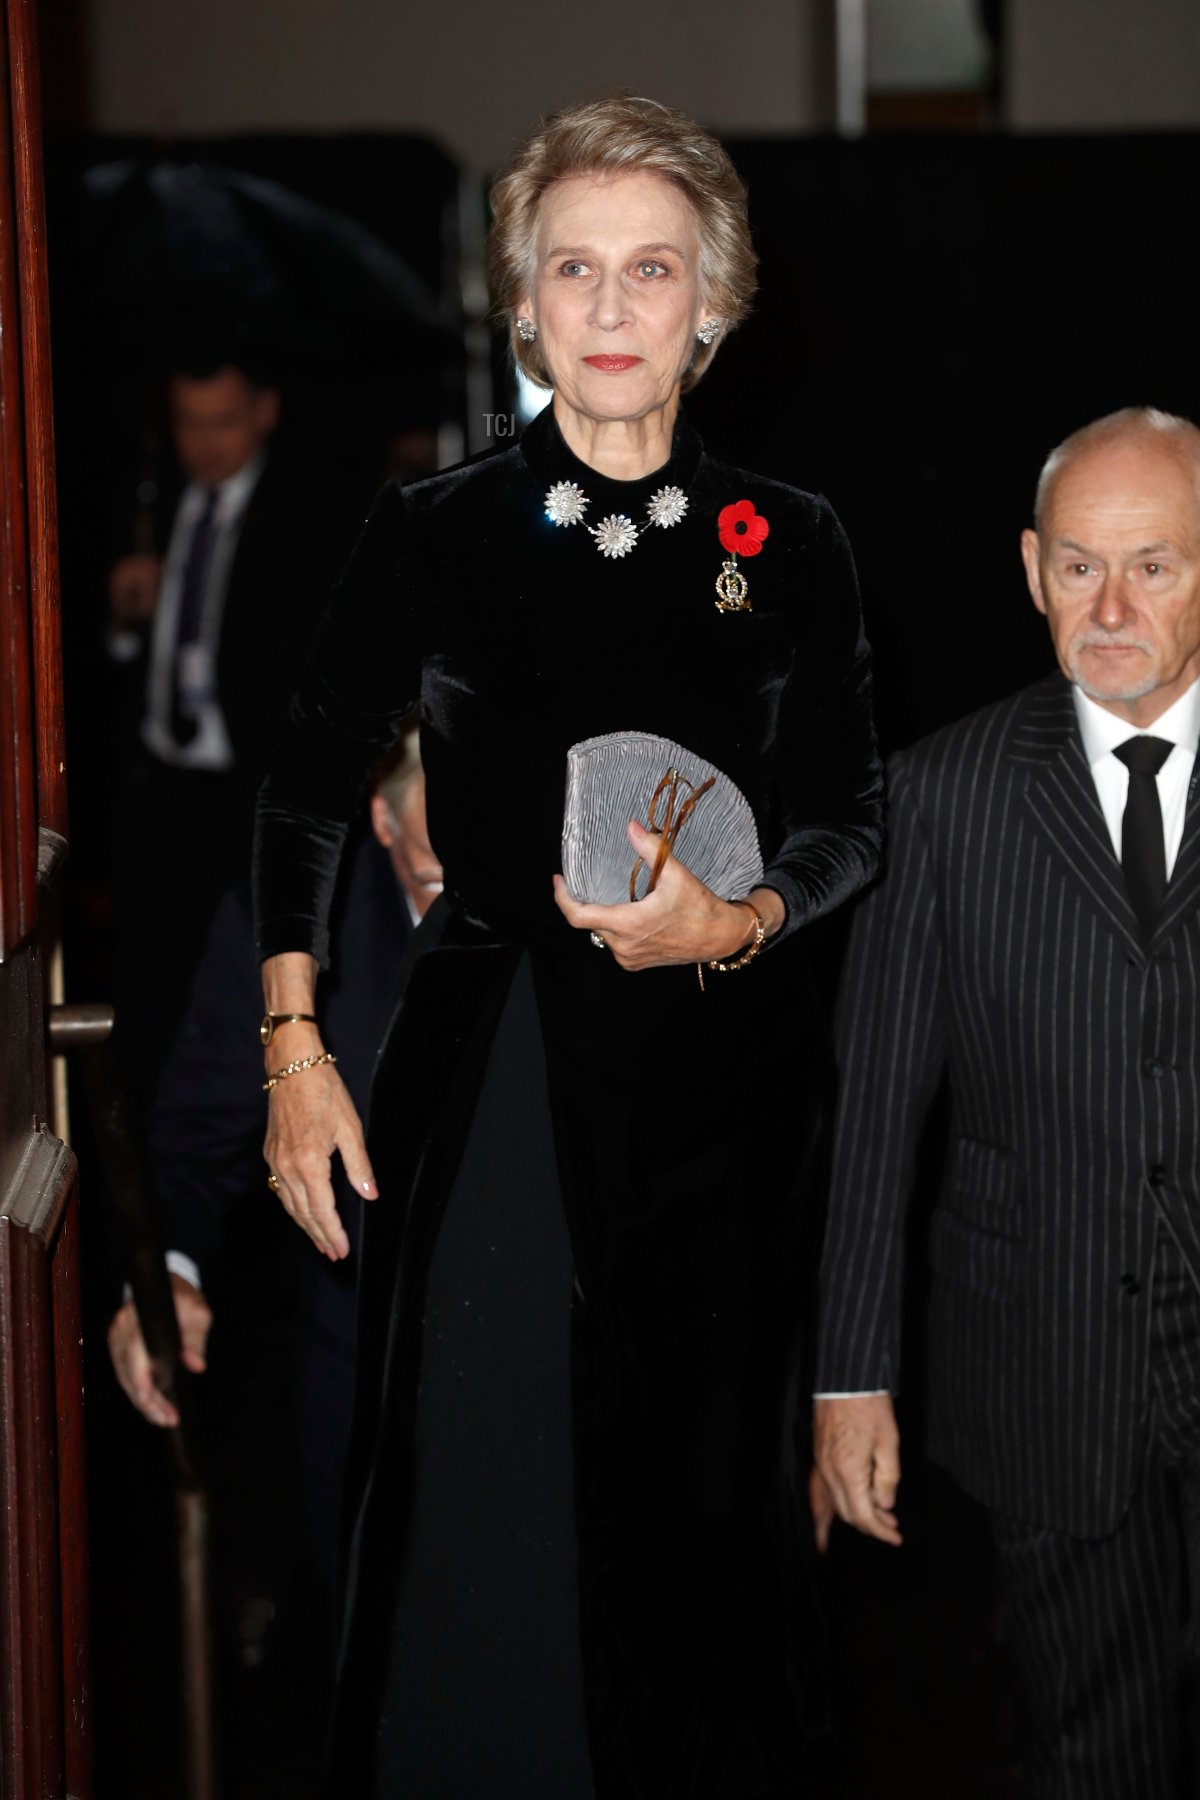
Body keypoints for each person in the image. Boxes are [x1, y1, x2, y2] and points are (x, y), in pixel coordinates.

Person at [255, 95, 883, 1798]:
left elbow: (850, 828)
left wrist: (732, 921)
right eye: (576, 271)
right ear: (522, 305)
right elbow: (308, 794)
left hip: (720, 1097)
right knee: (490, 1507)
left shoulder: (793, 542)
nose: (613, 311)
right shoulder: (435, 530)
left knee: (699, 1534)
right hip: (498, 1077)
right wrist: (296, 1057)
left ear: (714, 305)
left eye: (653, 271)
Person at [815, 407, 1200, 1798]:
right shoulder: (939, 800)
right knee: (1094, 1756)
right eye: (1080, 567)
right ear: (1032, 570)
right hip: (1047, 1384)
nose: (1109, 607)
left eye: (1153, 567)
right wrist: (848, 1379)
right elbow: (872, 1118)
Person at [107, 732, 441, 1586]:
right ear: (382, 817)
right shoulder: (279, 924)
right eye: (437, 872)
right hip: (361, 1383)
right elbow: (194, 1142)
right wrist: (168, 1275)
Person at [107, 347, 364, 1112]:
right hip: (163, 792)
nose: (205, 442)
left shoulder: (308, 518)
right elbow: (113, 671)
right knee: (152, 1000)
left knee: (253, 994)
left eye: (222, 421)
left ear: (264, 412)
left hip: (256, 796)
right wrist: (124, 621)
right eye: (190, 423)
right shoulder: (145, 507)